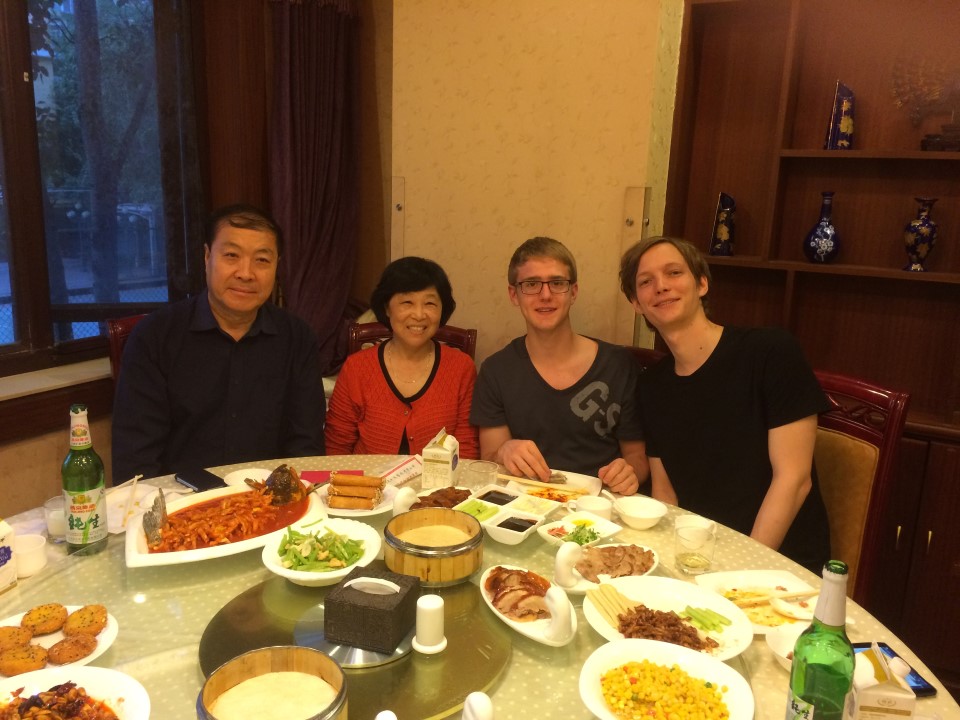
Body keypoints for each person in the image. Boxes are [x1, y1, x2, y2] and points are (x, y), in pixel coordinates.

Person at [618, 235, 830, 571]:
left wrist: (739, 573)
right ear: (636, 303)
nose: (661, 286)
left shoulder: (770, 351)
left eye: (674, 272)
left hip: (776, 565)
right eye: (646, 281)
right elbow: (665, 492)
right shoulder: (651, 385)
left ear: (702, 283)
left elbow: (794, 480)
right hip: (697, 558)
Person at [111, 204, 325, 482]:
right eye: (231, 255)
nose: (246, 273)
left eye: (262, 260)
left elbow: (306, 446)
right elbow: (135, 459)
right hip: (179, 499)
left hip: (269, 497)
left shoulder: (298, 338)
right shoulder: (154, 337)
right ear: (207, 256)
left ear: (277, 266)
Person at [470, 237, 646, 495]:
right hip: (524, 503)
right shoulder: (496, 371)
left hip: (600, 503)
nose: (545, 295)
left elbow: (638, 458)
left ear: (573, 292)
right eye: (531, 284)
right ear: (514, 295)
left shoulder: (619, 364)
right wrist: (504, 451)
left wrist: (628, 472)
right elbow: (490, 457)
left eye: (557, 283)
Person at [325, 257, 479, 457]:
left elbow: (466, 449)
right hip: (368, 477)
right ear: (387, 308)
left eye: (430, 303)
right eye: (407, 302)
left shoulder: (461, 368)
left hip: (440, 478)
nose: (419, 315)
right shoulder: (357, 368)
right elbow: (337, 446)